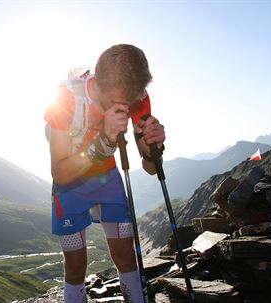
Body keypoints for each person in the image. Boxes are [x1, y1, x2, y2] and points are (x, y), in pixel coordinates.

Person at [44, 44, 166, 303]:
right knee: (76, 264)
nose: (123, 109)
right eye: (115, 102)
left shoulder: (138, 98)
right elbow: (60, 173)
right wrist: (103, 141)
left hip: (107, 179)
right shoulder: (65, 99)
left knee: (125, 256)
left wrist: (152, 149)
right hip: (71, 182)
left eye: (129, 103)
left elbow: (150, 168)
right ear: (97, 84)